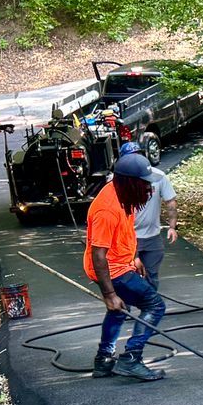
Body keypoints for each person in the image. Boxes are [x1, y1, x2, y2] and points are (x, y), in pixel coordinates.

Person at [84, 152, 167, 382]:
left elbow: (123, 235)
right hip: (110, 270)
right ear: (131, 182)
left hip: (121, 264)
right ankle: (131, 358)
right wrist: (109, 293)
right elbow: (98, 254)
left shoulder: (122, 195)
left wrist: (134, 258)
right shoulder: (107, 209)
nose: (149, 190)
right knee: (154, 304)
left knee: (120, 309)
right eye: (145, 184)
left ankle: (103, 361)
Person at [117, 141, 177, 287]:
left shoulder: (158, 176)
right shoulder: (119, 181)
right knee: (127, 276)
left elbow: (171, 202)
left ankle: (151, 307)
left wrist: (172, 227)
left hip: (152, 237)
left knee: (152, 275)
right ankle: (125, 308)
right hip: (128, 237)